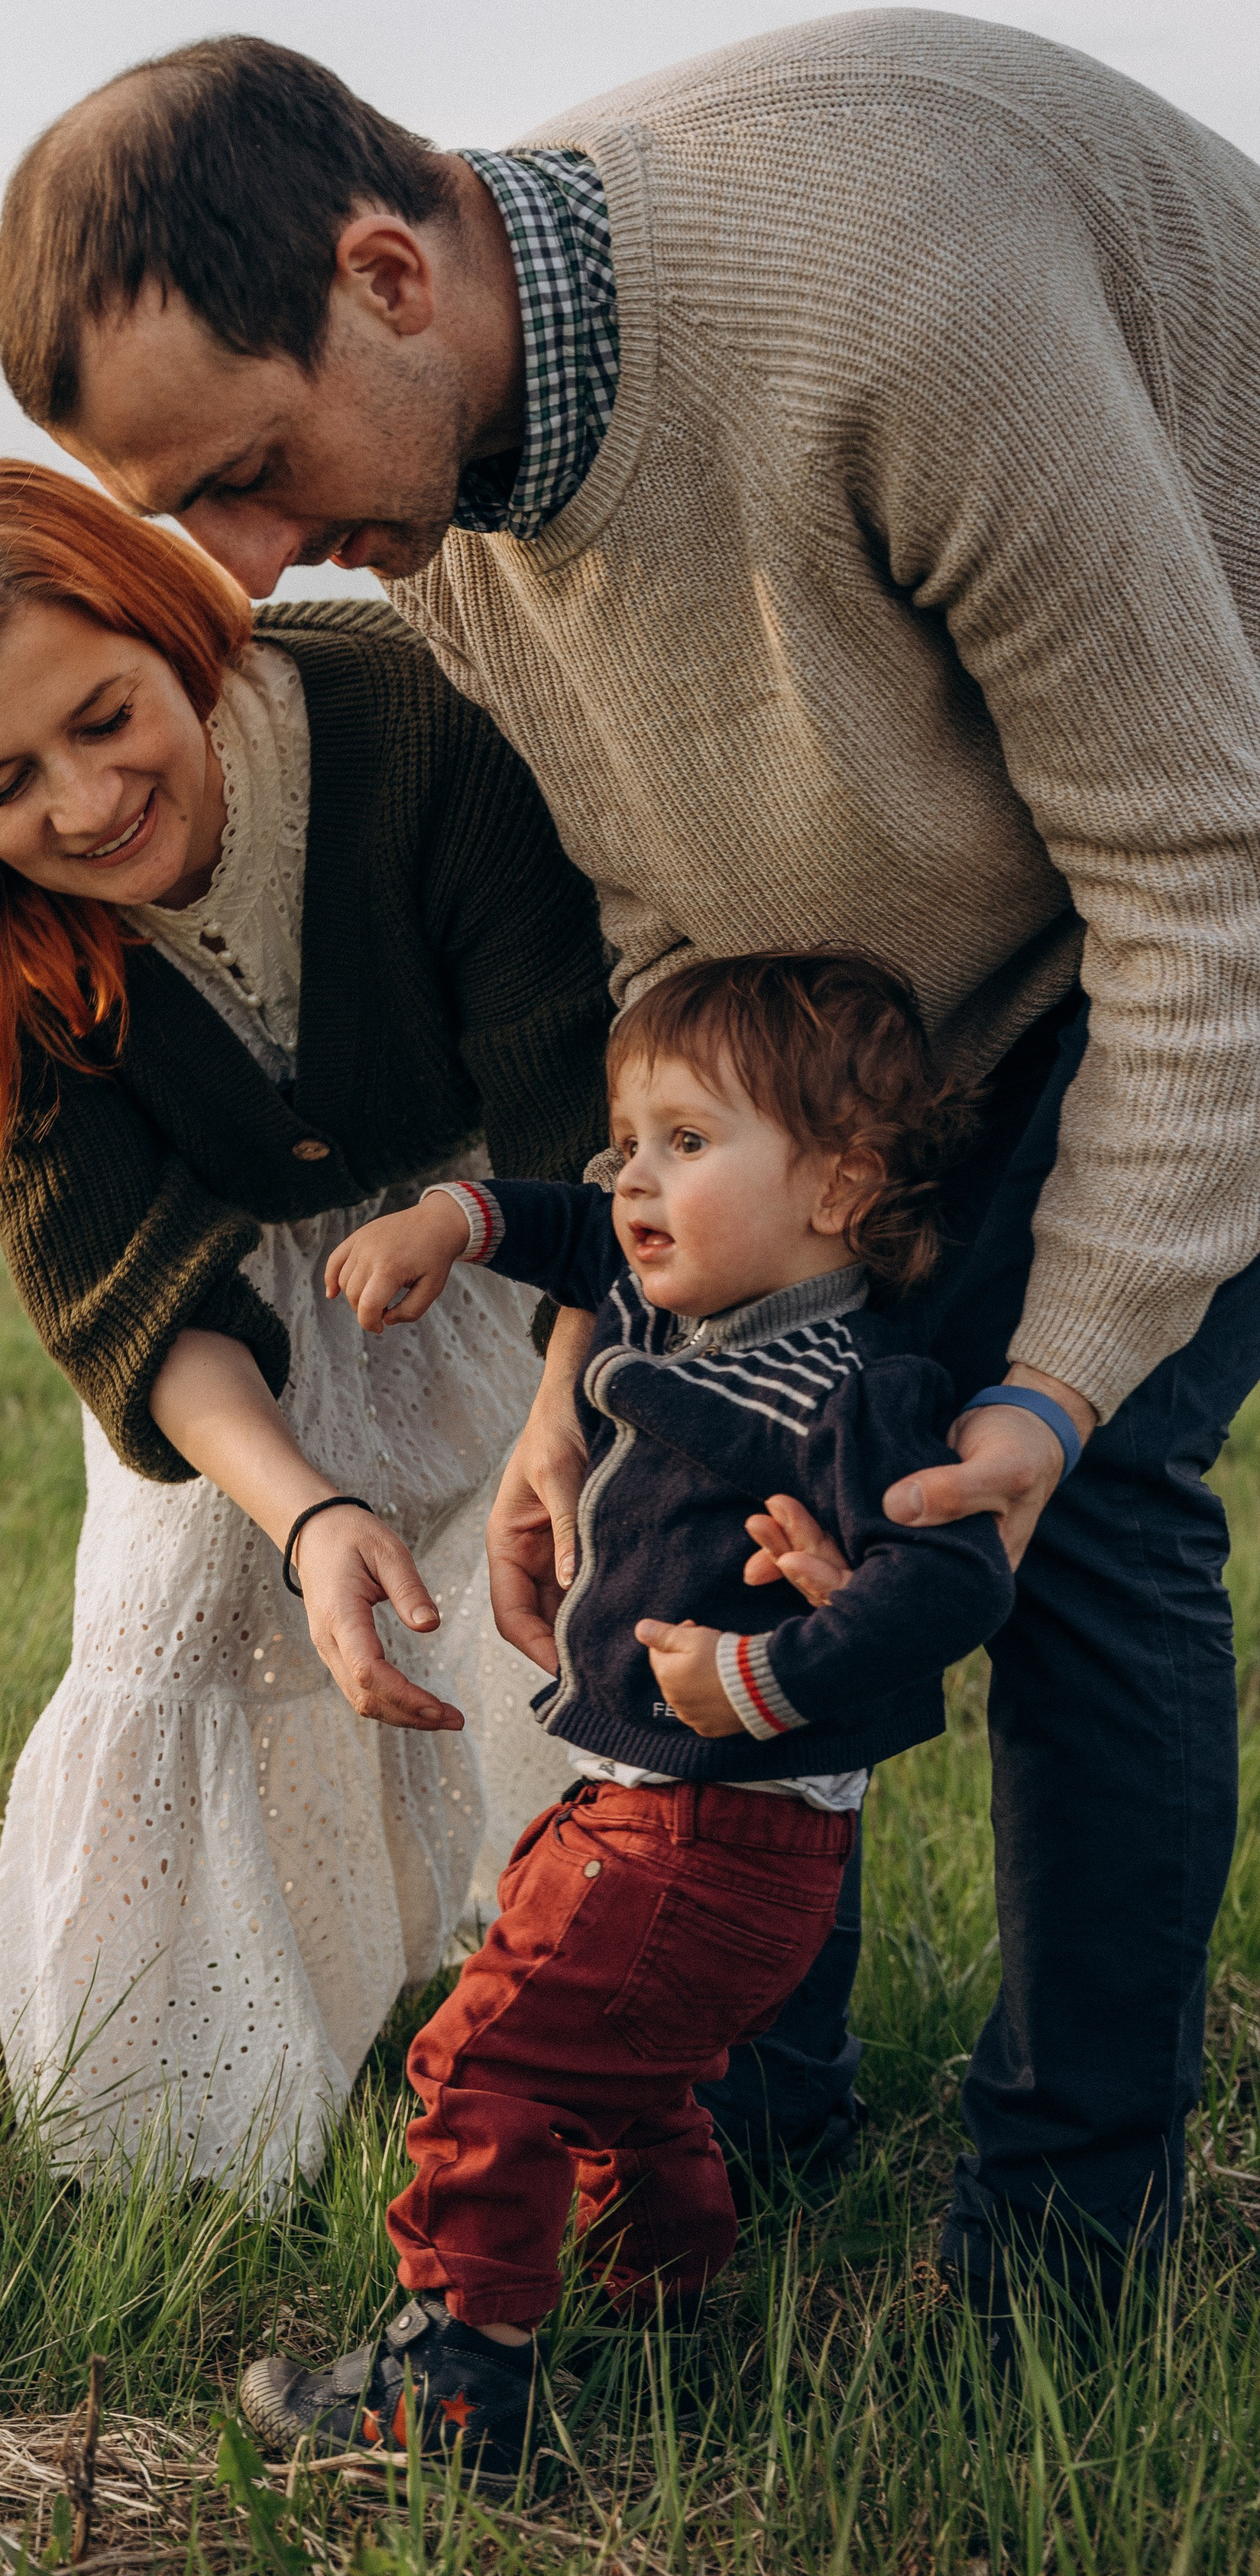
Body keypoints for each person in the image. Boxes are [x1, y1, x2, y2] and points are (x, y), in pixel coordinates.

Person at [0, 9, 1260, 2317]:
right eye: (200, 517)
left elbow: (1196, 881)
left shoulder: (896, 303)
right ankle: (741, 2125)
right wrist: (592, 1364)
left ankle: (1072, 2242)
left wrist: (1055, 1386)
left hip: (1213, 838)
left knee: (1074, 1517)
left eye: (259, 471)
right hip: (908, 952)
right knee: (737, 1458)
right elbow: (680, 938)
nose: (260, 568)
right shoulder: (440, 501)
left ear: (391, 273)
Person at [0, 456, 617, 2189]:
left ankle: (565, 2050)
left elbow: (571, 1107)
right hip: (232, 1335)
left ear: (169, 627)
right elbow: (125, 1288)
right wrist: (305, 1515)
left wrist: (565, 1404)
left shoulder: (411, 726)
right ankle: (168, 2157)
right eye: (5, 782)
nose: (82, 800)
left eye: (107, 716)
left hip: (512, 1241)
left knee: (570, 1588)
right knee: (179, 1623)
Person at [238, 951, 1015, 2479]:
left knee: (479, 2066)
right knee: (628, 2077)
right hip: (665, 1830)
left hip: (708, 1835)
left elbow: (954, 1583)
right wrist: (449, 1220)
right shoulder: (684, 1302)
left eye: (684, 1142)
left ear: (842, 1186)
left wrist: (754, 1679)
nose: (630, 1182)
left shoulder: (847, 1388)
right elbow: (564, 1227)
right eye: (624, 1141)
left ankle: (452, 2387)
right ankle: (662, 2304)